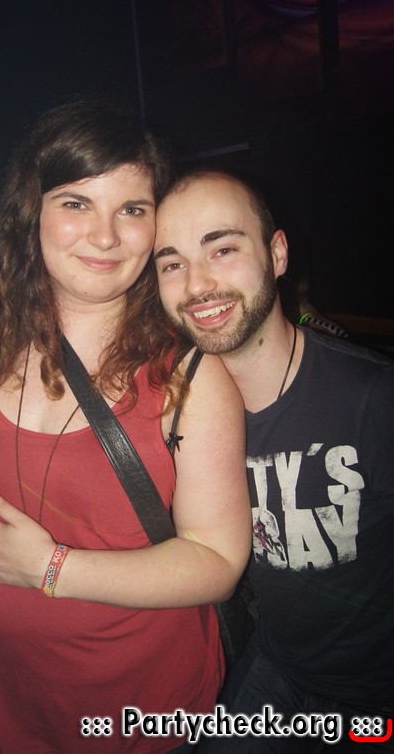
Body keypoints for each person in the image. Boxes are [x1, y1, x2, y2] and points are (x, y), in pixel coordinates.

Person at [0, 101, 251, 754]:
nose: (105, 236)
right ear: (32, 213)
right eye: (76, 203)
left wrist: (51, 568)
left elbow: (217, 561)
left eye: (131, 209)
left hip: (135, 713)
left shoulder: (187, 378)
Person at [154, 169, 394, 752]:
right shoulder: (174, 408)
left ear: (277, 254)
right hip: (277, 664)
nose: (197, 284)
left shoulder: (372, 397)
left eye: (223, 249)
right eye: (172, 263)